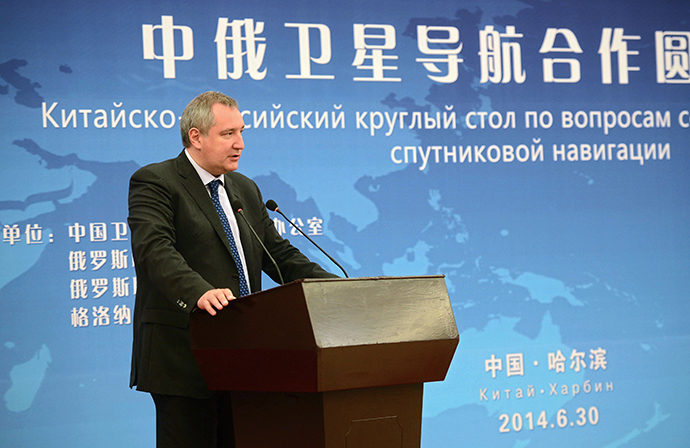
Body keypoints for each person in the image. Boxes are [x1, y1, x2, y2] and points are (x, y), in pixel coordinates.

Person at [127, 91, 338, 447]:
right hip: (183, 353)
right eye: (228, 134)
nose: (240, 143)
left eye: (241, 132)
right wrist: (198, 291)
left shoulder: (244, 188)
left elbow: (279, 255)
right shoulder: (156, 181)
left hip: (243, 353)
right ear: (196, 136)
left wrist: (336, 286)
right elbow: (154, 250)